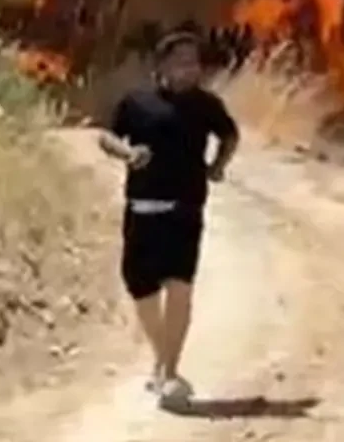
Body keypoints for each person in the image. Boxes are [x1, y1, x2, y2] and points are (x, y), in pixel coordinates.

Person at [99, 25, 240, 405]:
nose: (189, 70)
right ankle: (162, 362)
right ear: (161, 65)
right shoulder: (136, 102)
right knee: (141, 289)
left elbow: (229, 134)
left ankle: (170, 372)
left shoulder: (206, 105)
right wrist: (128, 155)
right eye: (180, 63)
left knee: (180, 288)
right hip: (141, 210)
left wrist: (217, 166)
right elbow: (107, 137)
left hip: (185, 210)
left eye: (194, 63)